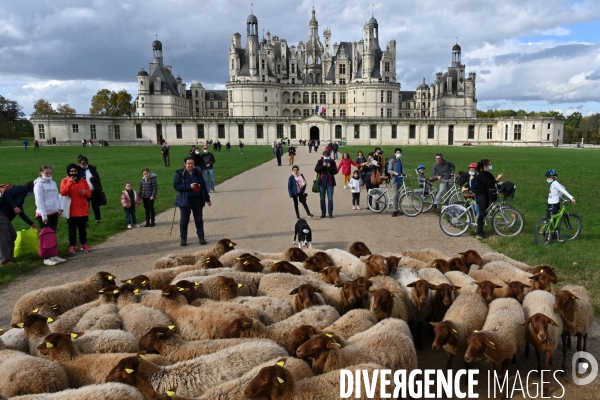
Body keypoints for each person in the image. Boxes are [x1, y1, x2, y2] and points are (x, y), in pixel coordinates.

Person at [174, 157, 212, 246]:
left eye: (192, 163)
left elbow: (203, 186)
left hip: (197, 200)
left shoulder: (198, 173)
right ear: (185, 164)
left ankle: (201, 237)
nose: (190, 165)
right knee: (184, 220)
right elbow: (176, 186)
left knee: (199, 220)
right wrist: (189, 186)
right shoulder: (180, 173)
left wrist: (207, 199)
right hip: (185, 200)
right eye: (189, 163)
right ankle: (183, 238)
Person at [34, 165, 67, 265]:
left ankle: (53, 254)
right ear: (41, 173)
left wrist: (60, 207)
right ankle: (46, 258)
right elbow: (39, 201)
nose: (48, 175)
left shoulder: (53, 183)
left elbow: (57, 197)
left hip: (54, 212)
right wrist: (44, 216)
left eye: (50, 173)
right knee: (46, 235)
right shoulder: (39, 185)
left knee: (52, 234)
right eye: (46, 173)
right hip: (43, 214)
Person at [0, 182, 37, 266]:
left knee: (12, 234)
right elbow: (7, 194)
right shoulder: (23, 189)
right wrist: (14, 206)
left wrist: (31, 223)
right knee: (4, 236)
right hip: (1, 213)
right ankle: (4, 261)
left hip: (4, 214)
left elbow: (20, 211)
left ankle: (9, 257)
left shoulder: (23, 195)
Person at [60, 164, 92, 253]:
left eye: (75, 171)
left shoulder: (83, 181)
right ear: (68, 172)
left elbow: (89, 194)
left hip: (82, 208)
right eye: (71, 172)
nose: (73, 173)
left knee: (83, 229)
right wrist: (69, 182)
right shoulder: (65, 180)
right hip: (71, 209)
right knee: (72, 230)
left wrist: (85, 192)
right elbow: (63, 192)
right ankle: (72, 245)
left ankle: (84, 244)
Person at [475, 159, 504, 239]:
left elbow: (492, 182)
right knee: (482, 214)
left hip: (486, 195)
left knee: (485, 213)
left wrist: (498, 183)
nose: (491, 166)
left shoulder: (488, 174)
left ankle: (481, 231)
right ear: (485, 166)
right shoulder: (482, 174)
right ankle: (479, 233)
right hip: (481, 195)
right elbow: (489, 183)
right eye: (489, 164)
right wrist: (497, 179)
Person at [545, 169, 576, 242]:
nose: (548, 179)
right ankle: (552, 236)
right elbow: (561, 188)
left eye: (549, 177)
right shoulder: (553, 184)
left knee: (552, 221)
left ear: (554, 177)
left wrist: (571, 198)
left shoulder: (555, 183)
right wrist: (560, 197)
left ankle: (554, 237)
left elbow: (563, 190)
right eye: (547, 177)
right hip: (551, 204)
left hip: (554, 205)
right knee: (550, 220)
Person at [78, 155, 103, 225]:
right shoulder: (78, 170)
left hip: (94, 191)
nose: (85, 164)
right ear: (79, 163)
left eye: (86, 162)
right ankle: (86, 221)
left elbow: (98, 178)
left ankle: (98, 220)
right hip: (84, 192)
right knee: (85, 207)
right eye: (83, 163)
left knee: (96, 206)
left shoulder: (92, 169)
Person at [314, 150, 338, 218]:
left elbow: (335, 171)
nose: (326, 157)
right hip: (322, 182)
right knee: (322, 198)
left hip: (330, 182)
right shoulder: (320, 161)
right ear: (323, 155)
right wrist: (322, 166)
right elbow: (316, 169)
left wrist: (330, 167)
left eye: (328, 156)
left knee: (330, 198)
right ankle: (323, 213)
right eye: (325, 155)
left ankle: (330, 213)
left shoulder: (332, 161)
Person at [388, 148, 404, 217]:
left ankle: (397, 209)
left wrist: (404, 174)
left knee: (399, 196)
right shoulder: (392, 160)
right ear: (395, 153)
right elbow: (389, 170)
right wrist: (393, 172)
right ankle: (395, 210)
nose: (399, 154)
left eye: (400, 152)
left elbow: (400, 170)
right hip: (395, 180)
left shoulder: (400, 161)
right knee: (395, 195)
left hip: (400, 180)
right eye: (397, 152)